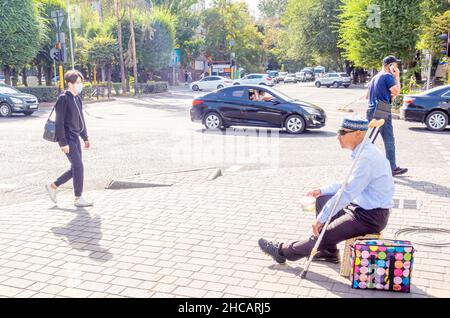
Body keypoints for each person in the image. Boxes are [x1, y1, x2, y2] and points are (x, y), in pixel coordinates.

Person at [258, 117, 394, 264]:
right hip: (359, 208)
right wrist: (322, 190)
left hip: (369, 216)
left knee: (321, 235)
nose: (338, 136)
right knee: (323, 198)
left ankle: (282, 251)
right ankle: (328, 252)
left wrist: (321, 219)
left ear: (358, 134)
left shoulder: (367, 158)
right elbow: (348, 182)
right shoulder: (364, 152)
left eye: (342, 132)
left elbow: (347, 192)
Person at [45, 70, 93, 208]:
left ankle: (53, 186)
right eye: (77, 83)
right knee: (78, 167)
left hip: (76, 138)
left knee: (75, 168)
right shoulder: (63, 99)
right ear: (69, 84)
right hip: (67, 139)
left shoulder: (77, 98)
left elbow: (80, 119)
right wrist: (63, 142)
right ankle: (78, 198)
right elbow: (59, 122)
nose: (80, 85)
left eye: (81, 82)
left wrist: (85, 137)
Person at [366, 55, 407, 176]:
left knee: (369, 139)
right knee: (389, 139)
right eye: (395, 65)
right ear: (390, 66)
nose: (397, 67)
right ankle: (392, 167)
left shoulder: (375, 77)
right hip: (382, 108)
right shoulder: (388, 76)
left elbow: (367, 96)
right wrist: (397, 76)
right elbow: (396, 92)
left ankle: (363, 164)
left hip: (370, 109)